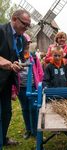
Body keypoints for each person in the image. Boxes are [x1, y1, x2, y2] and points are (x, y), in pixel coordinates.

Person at [0, 9, 31, 147]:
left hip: (6, 82)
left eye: (28, 25)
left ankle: (2, 138)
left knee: (7, 113)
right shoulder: (1, 30)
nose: (26, 28)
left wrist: (17, 64)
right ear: (14, 19)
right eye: (24, 24)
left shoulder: (23, 39)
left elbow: (16, 57)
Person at [16, 34, 43, 139]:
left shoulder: (34, 57)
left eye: (27, 42)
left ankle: (35, 130)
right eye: (24, 42)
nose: (26, 45)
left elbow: (40, 72)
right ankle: (28, 129)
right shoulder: (16, 56)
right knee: (25, 108)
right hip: (21, 87)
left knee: (33, 108)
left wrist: (40, 85)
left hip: (32, 86)